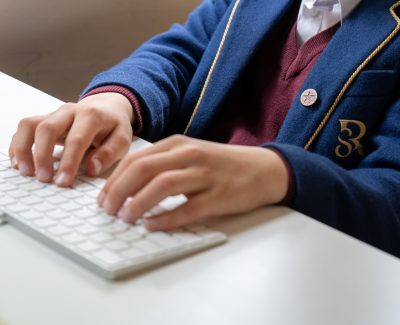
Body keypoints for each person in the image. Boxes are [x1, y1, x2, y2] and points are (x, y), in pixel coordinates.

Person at [8, 0, 400, 257]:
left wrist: (280, 173)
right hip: (166, 216)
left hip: (289, 255)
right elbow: (182, 51)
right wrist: (116, 100)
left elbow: (391, 191)